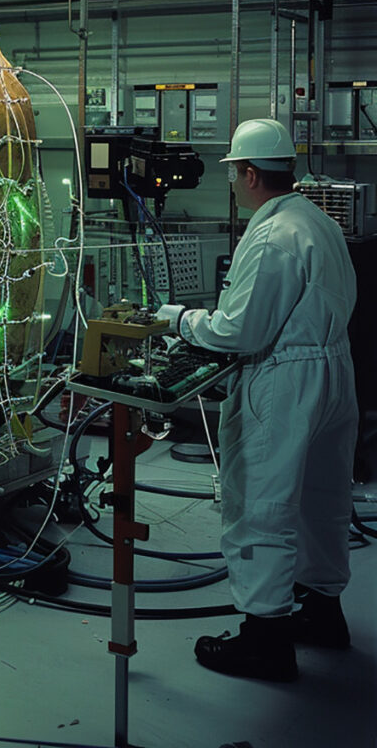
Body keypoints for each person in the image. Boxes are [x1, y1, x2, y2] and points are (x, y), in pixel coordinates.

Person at [155, 118, 357, 682]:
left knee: (260, 504)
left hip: (285, 380)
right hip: (334, 373)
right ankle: (322, 614)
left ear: (248, 173)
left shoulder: (270, 236)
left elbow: (237, 331)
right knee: (322, 500)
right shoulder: (318, 222)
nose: (234, 185)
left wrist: (175, 320)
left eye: (234, 175)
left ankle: (264, 639)